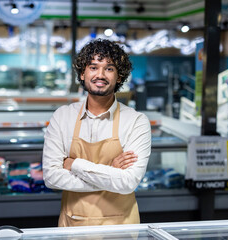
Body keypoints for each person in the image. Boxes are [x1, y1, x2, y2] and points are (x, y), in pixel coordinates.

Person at [42, 39, 151, 227]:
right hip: (73, 226)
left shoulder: (136, 121)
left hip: (121, 229)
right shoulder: (62, 116)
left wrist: (74, 164)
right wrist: (112, 173)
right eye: (93, 67)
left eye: (109, 68)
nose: (100, 75)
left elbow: (128, 183)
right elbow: (51, 177)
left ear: (119, 77)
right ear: (83, 74)